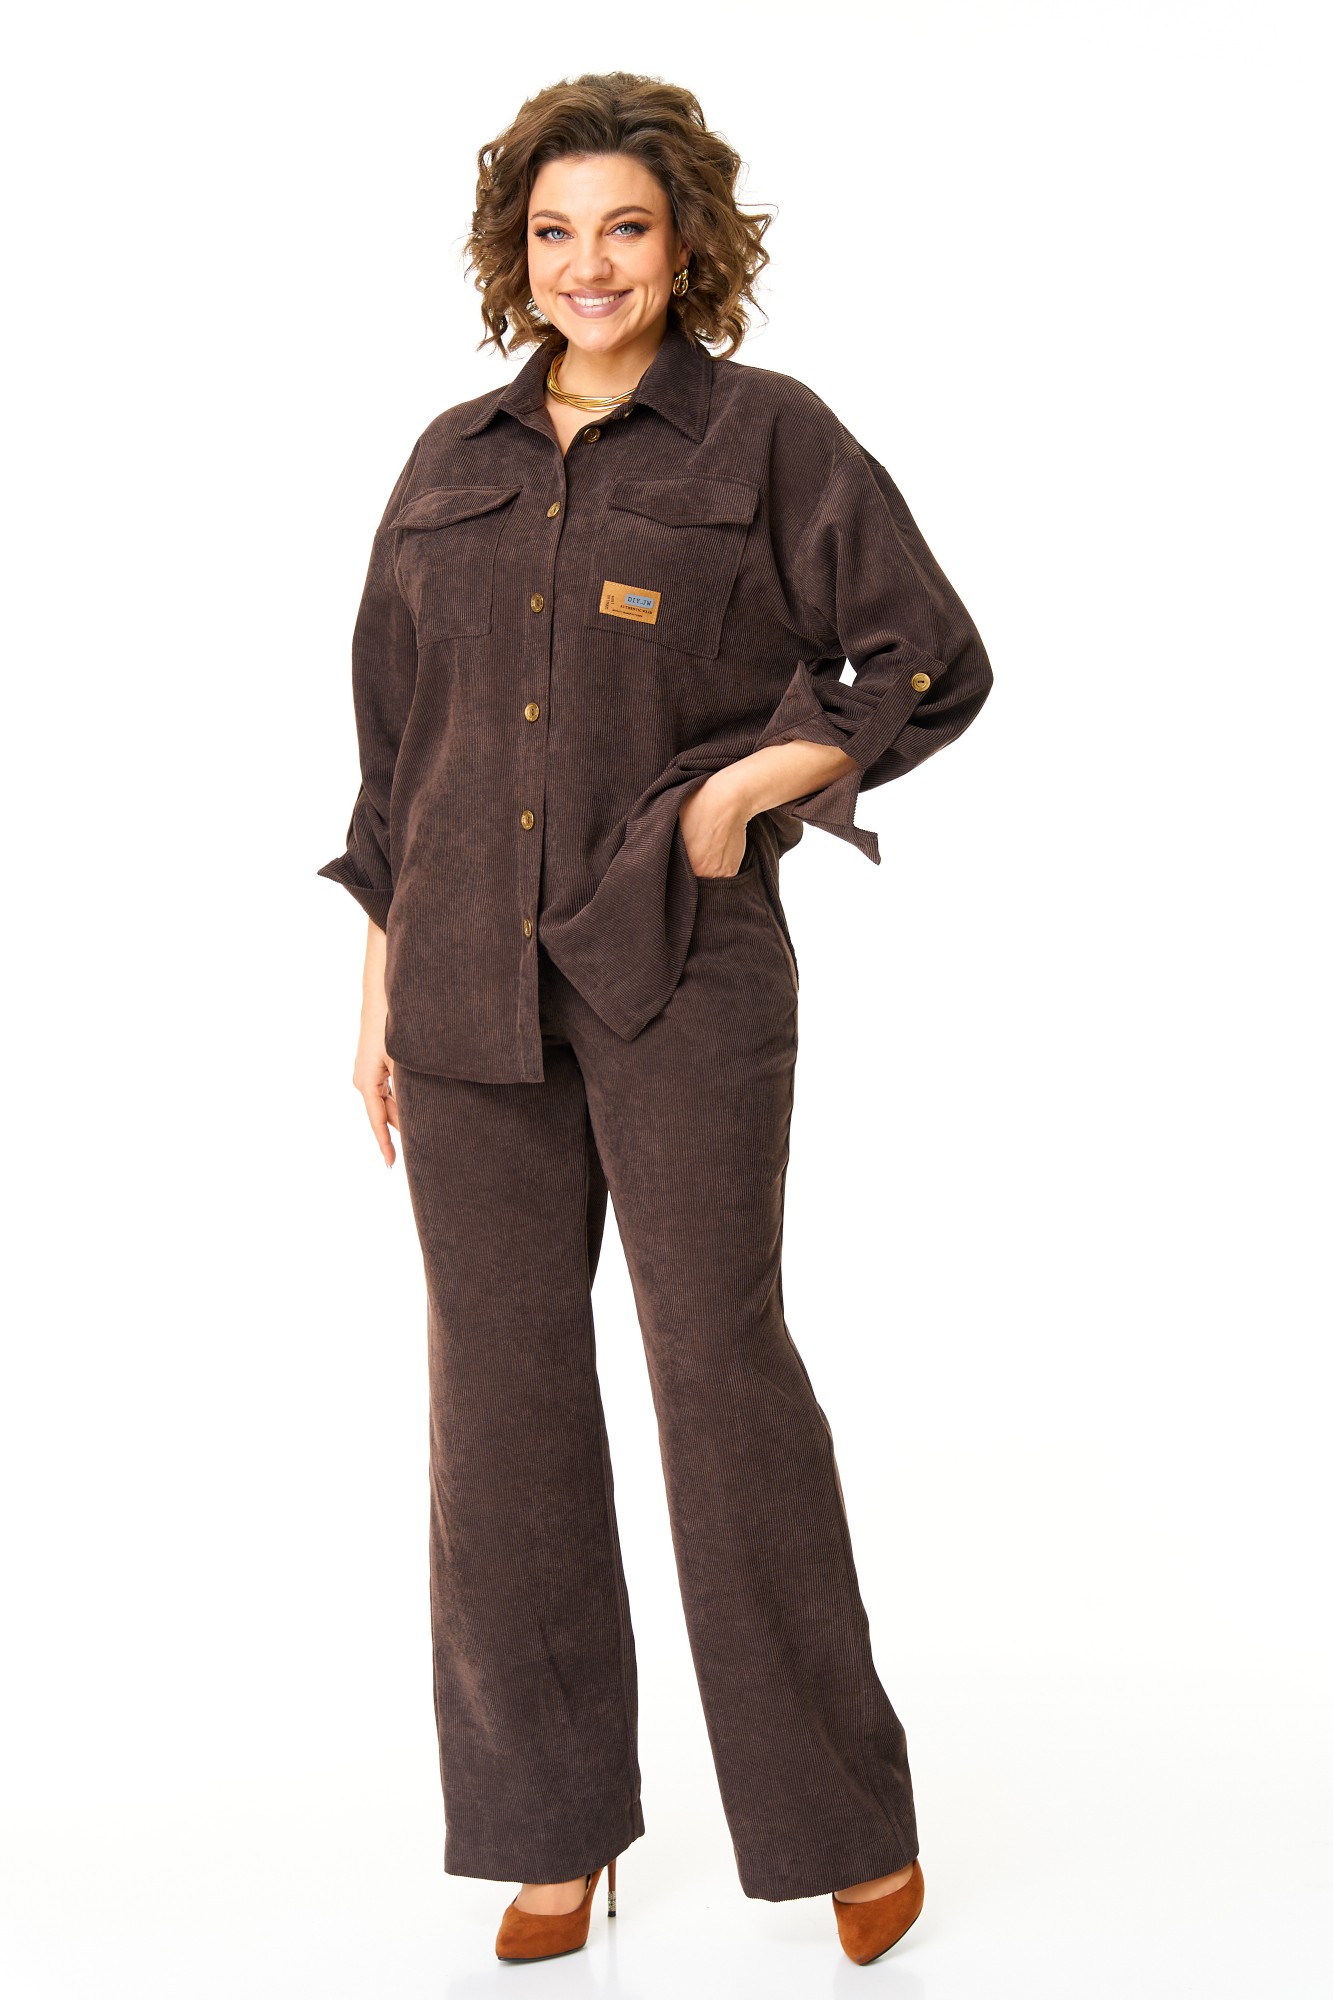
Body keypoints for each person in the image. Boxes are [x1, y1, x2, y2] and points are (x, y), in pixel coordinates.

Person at [317, 71, 993, 1967]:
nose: (587, 264)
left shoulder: (767, 436)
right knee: (498, 1409)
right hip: (461, 986)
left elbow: (925, 657)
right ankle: (554, 1831)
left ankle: (837, 1817)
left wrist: (744, 790)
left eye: (622, 226)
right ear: (513, 254)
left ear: (683, 241)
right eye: (553, 232)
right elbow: (396, 752)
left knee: (718, 1374)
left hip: (683, 971)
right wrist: (375, 986)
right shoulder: (447, 457)